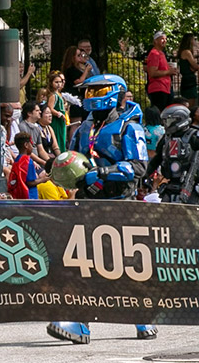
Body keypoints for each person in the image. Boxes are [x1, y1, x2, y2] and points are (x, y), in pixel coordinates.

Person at [49, 74, 156, 344]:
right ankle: (78, 322)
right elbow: (72, 157)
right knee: (82, 261)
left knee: (125, 263)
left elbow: (138, 168)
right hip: (87, 201)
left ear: (116, 93)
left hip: (120, 202)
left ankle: (142, 316)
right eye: (89, 91)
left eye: (101, 90)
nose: (93, 95)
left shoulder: (129, 128)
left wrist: (103, 172)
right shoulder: (83, 128)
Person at [144, 103, 199, 204]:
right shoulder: (167, 138)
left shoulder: (196, 135)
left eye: (169, 121)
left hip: (191, 186)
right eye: (165, 121)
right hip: (170, 185)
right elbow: (157, 159)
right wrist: (144, 177)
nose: (166, 124)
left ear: (179, 120)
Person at [6, 132, 48, 199]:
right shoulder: (28, 160)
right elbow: (30, 182)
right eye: (32, 145)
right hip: (30, 196)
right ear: (26, 145)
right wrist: (44, 179)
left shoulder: (17, 159)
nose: (32, 147)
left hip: (20, 196)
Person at [144, 31, 177, 111]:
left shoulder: (161, 53)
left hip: (166, 88)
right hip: (158, 88)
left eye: (165, 39)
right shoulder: (154, 53)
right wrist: (168, 72)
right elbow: (152, 72)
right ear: (155, 41)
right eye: (162, 39)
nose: (164, 41)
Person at [177, 34, 199, 108]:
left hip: (186, 80)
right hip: (189, 80)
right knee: (190, 103)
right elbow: (196, 66)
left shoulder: (182, 52)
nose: (194, 41)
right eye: (193, 39)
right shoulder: (187, 52)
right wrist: (193, 68)